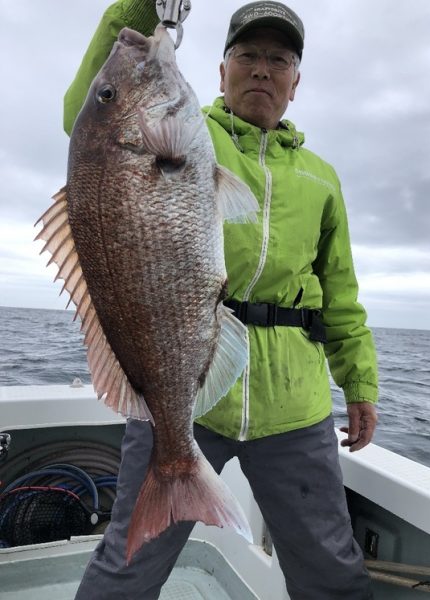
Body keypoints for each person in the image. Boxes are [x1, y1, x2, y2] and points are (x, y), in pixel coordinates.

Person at [64, 1, 378, 598]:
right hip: (181, 394)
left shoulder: (321, 177)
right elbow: (87, 111)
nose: (262, 69)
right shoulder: (188, 134)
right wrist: (138, 10)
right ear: (221, 70)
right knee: (126, 566)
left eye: (278, 59)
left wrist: (359, 383)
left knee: (332, 570)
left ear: (295, 81)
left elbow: (340, 291)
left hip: (295, 405)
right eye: (248, 55)